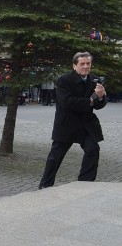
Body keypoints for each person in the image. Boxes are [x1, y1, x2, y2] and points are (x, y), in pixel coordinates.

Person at [39, 52, 107, 189]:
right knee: (55, 157)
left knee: (93, 150)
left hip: (86, 124)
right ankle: (45, 186)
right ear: (74, 65)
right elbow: (66, 102)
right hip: (66, 124)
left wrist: (100, 97)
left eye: (88, 63)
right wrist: (91, 100)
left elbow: (99, 105)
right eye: (82, 64)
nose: (86, 66)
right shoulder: (64, 80)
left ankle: (84, 184)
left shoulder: (94, 80)